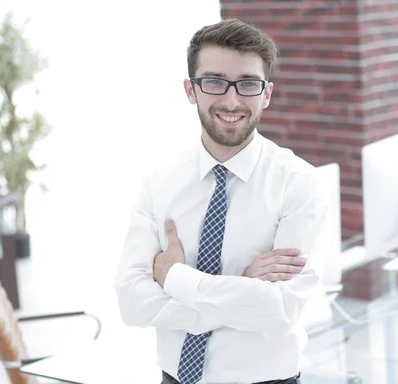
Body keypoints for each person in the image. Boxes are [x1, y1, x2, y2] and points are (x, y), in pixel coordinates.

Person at [114, 19, 330, 384]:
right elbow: (131, 302)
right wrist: (242, 288)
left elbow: (280, 310)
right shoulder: (160, 182)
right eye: (214, 82)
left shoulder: (299, 184)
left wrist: (175, 277)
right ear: (190, 89)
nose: (231, 101)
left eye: (247, 84)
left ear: (267, 93)